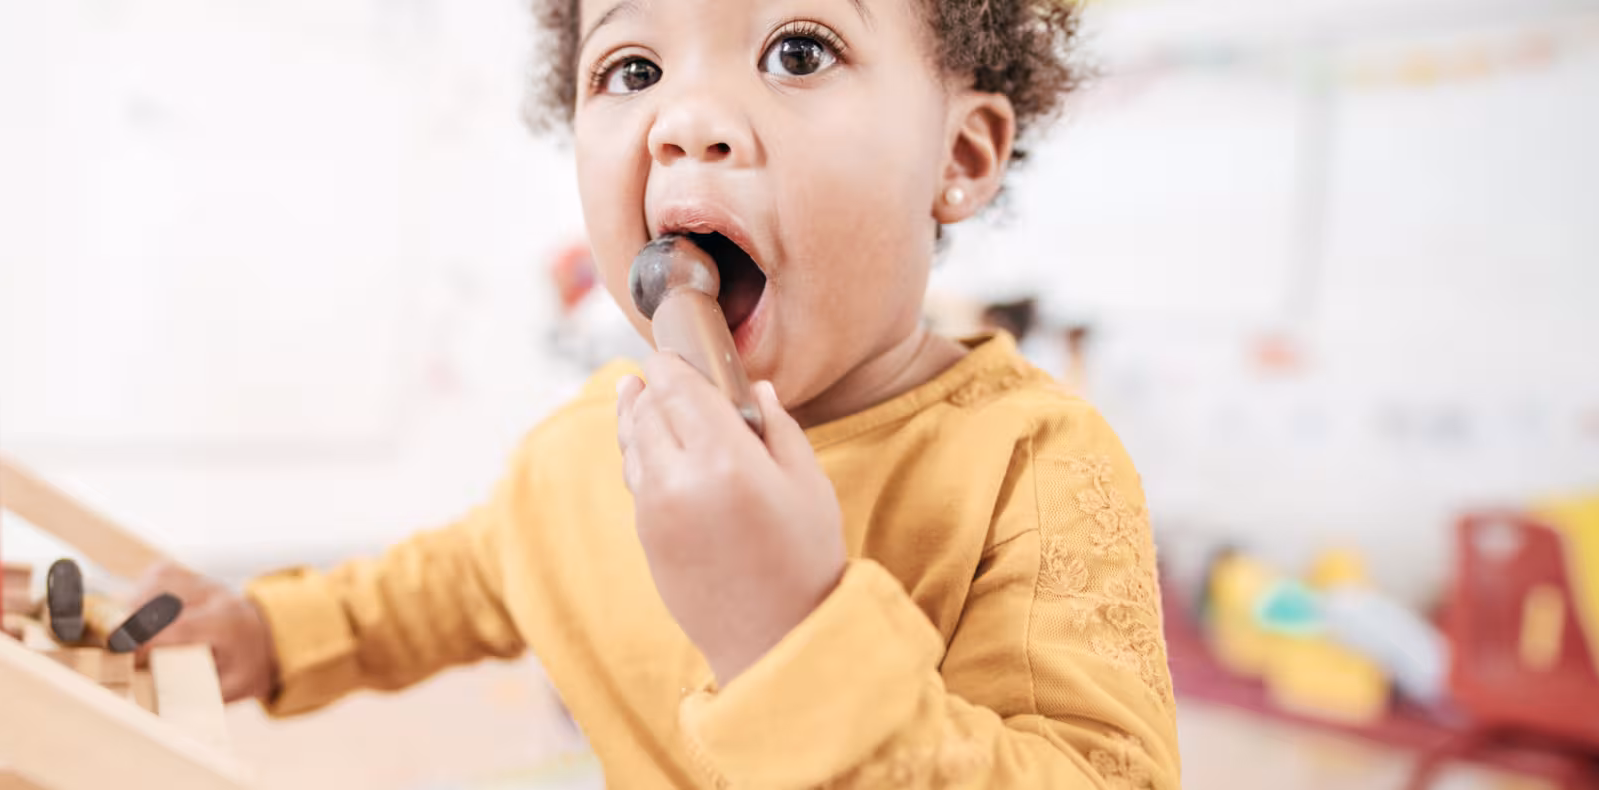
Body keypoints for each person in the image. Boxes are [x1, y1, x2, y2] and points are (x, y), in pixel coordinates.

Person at [133, 0, 1179, 785]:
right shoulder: (585, 451)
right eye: (630, 67)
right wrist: (270, 633)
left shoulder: (1030, 468)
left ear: (959, 153)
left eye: (796, 51)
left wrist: (790, 629)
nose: (685, 123)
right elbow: (448, 582)